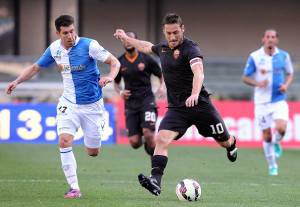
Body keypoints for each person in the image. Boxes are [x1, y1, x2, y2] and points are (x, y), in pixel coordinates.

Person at [114, 13, 237, 196]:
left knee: (223, 141)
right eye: (169, 33)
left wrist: (195, 93)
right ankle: (155, 180)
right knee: (161, 139)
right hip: (177, 109)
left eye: (176, 32)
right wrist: (125, 38)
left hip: (201, 106)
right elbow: (146, 46)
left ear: (183, 29)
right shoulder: (163, 49)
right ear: (164, 31)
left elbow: (199, 73)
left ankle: (232, 144)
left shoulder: (191, 49)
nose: (172, 37)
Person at [5, 15, 120, 198]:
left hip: (92, 106)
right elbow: (35, 67)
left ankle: (91, 135)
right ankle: (74, 187)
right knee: (64, 140)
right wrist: (17, 81)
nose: (70, 36)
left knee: (93, 152)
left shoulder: (89, 45)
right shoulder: (54, 49)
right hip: (68, 103)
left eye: (72, 31)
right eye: (65, 33)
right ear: (58, 33)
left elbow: (115, 62)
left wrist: (110, 77)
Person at [242, 29, 293, 176]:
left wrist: (286, 86)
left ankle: (277, 142)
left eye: (273, 37)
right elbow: (245, 77)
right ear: (263, 39)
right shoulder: (255, 56)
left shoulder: (284, 56)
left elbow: (290, 74)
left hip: (278, 100)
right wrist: (257, 83)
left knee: (281, 128)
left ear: (277, 40)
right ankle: (272, 166)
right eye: (268, 37)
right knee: (267, 136)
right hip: (261, 103)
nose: (270, 39)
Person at [114, 31, 164, 157]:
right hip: (130, 104)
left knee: (148, 134)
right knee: (134, 142)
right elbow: (116, 82)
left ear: (136, 41)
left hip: (147, 101)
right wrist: (120, 91)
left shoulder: (146, 59)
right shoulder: (119, 62)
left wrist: (162, 87)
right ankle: (146, 138)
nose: (128, 42)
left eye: (130, 39)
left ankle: (156, 161)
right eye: (125, 40)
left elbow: (161, 75)